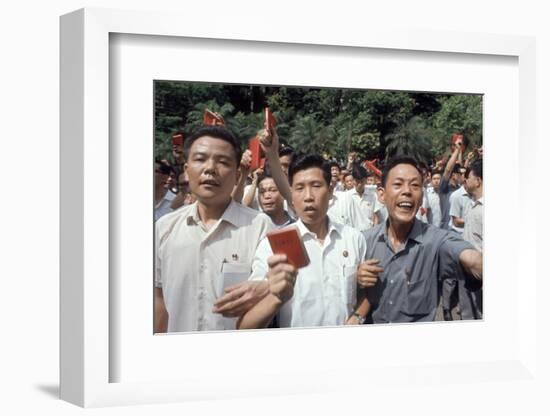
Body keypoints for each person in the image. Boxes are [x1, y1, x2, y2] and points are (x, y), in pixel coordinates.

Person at [154, 126, 273, 333]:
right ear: (186, 170)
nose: (210, 168)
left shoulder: (260, 226)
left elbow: (267, 294)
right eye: (200, 159)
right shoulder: (164, 227)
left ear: (237, 175)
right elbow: (159, 301)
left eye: (223, 162)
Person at [237, 154, 376, 329]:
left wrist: (358, 316)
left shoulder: (354, 238)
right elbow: (247, 326)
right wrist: (276, 296)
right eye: (300, 188)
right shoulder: (273, 246)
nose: (308, 196)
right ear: (291, 195)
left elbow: (366, 292)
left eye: (316, 186)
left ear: (331, 189)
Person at [360, 156, 482, 324]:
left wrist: (477, 261)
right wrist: (355, 279)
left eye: (415, 185)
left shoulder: (436, 241)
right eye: (398, 184)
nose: (407, 191)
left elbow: (468, 256)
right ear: (382, 194)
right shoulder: (363, 243)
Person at [463, 159, 483, 317]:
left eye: (468, 177)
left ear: (478, 181)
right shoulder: (473, 204)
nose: (465, 180)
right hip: (470, 274)